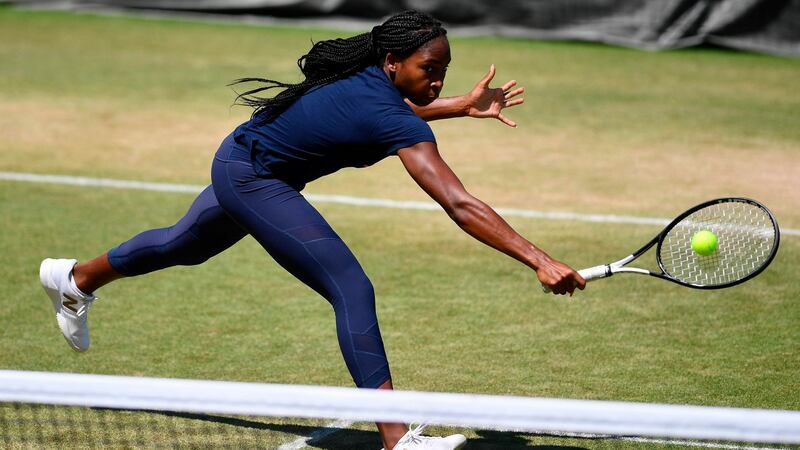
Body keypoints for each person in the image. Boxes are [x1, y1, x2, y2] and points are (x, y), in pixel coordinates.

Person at [39, 10, 585, 450]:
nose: (438, 78)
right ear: (393, 62)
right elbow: (459, 203)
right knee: (351, 288)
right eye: (430, 68)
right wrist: (538, 258)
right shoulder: (389, 108)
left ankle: (75, 278)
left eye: (444, 69)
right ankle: (398, 439)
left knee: (184, 245)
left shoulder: (375, 82)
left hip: (242, 160)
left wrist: (458, 106)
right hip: (254, 176)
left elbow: (390, 112)